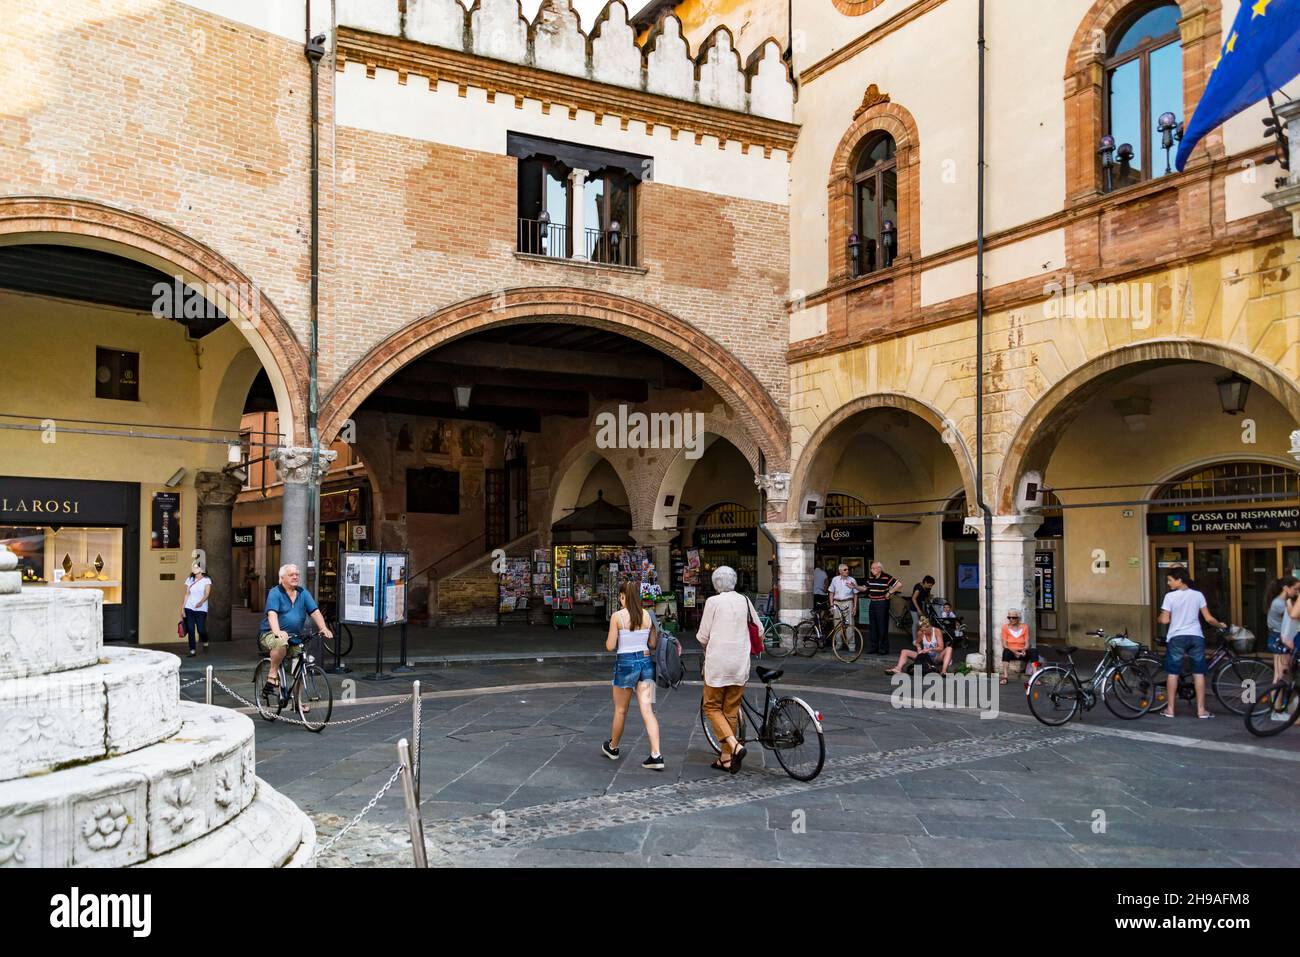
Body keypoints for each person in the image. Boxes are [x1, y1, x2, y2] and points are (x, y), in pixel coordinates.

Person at [695, 565, 755, 774]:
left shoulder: (713, 602)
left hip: (718, 663)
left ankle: (735, 745)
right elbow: (760, 629)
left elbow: (703, 636)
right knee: (730, 709)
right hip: (739, 662)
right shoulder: (745, 601)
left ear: (715, 583)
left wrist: (709, 647)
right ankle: (726, 757)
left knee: (711, 707)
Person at [602, 581, 664, 770]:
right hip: (646, 664)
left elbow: (610, 646)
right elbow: (653, 643)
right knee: (648, 710)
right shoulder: (648, 615)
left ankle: (613, 747)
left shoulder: (617, 617)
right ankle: (656, 755)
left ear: (622, 597)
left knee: (621, 710)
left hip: (625, 665)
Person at [259, 563, 333, 709]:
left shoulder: (303, 593)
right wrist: (277, 632)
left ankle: (297, 703)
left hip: (294, 637)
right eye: (291, 574)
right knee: (280, 643)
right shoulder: (275, 592)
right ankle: (272, 674)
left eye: (297, 574)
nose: (295, 577)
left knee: (299, 668)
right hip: (270, 633)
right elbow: (272, 614)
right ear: (282, 578)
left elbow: (315, 611)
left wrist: (323, 627)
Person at [1158, 567, 1226, 719]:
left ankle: (1170, 709)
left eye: (1170, 580)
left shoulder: (1170, 597)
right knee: (1199, 673)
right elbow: (1208, 618)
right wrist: (1221, 625)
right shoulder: (1198, 595)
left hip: (1177, 637)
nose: (1168, 583)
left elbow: (1165, 620)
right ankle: (1201, 711)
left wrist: (1160, 617)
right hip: (1196, 636)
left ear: (1179, 580)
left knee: (1173, 673)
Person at [885, 615, 951, 676]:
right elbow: (917, 642)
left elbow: (941, 647)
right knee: (904, 651)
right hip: (925, 657)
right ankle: (898, 668)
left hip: (936, 657)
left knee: (949, 649)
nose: (924, 632)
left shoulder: (936, 631)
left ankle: (944, 671)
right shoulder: (921, 633)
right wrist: (919, 648)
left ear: (929, 627)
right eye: (922, 631)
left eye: (925, 630)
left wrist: (929, 649)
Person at [1265, 576, 1299, 684]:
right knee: (1281, 676)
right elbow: (1293, 615)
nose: (1297, 592)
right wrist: (1290, 604)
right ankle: (1278, 701)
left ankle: (1278, 701)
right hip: (1280, 639)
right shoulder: (1280, 603)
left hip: (1276, 638)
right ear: (1286, 588)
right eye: (1295, 589)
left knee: (1280, 675)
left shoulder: (1278, 601)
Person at [865, 561, 902, 655]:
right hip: (872, 603)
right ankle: (873, 647)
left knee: (882, 626)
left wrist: (890, 592)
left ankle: (883, 648)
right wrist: (855, 587)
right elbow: (864, 588)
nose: (871, 570)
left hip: (882, 603)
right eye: (871, 568)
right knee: (873, 626)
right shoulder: (870, 578)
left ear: (879, 569)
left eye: (873, 568)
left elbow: (899, 585)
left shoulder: (886, 577)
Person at [827, 563, 865, 648]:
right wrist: (831, 605)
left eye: (848, 569)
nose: (847, 571)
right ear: (840, 571)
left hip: (848, 602)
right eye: (845, 570)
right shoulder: (835, 580)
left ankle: (851, 644)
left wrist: (855, 607)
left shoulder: (852, 580)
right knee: (837, 623)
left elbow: (855, 594)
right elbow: (831, 593)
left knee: (849, 624)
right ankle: (838, 643)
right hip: (837, 603)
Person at [180, 563, 210, 657]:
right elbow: (187, 594)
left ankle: (205, 641)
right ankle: (192, 650)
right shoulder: (190, 579)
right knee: (191, 629)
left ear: (202, 569)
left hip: (201, 609)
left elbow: (207, 594)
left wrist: (201, 602)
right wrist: (182, 608)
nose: (194, 568)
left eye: (196, 567)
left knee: (201, 630)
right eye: (193, 567)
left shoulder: (206, 580)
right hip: (189, 607)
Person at [998, 609, 1030, 685]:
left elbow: (1027, 643)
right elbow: (1004, 644)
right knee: (1006, 651)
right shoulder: (1005, 627)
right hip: (1011, 650)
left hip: (1022, 650)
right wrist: (1014, 652)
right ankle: (1005, 677)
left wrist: (1024, 649)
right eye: (1009, 618)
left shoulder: (1025, 627)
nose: (1011, 619)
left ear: (1018, 618)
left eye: (1013, 617)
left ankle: (1035, 677)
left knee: (1034, 651)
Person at [909, 575, 936, 644]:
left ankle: (928, 639)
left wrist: (930, 598)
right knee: (916, 622)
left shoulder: (928, 588)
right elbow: (913, 598)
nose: (930, 587)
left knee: (924, 622)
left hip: (921, 606)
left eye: (931, 586)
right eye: (929, 585)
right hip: (914, 606)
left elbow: (927, 596)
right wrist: (918, 609)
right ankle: (914, 640)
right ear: (925, 582)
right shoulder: (918, 588)